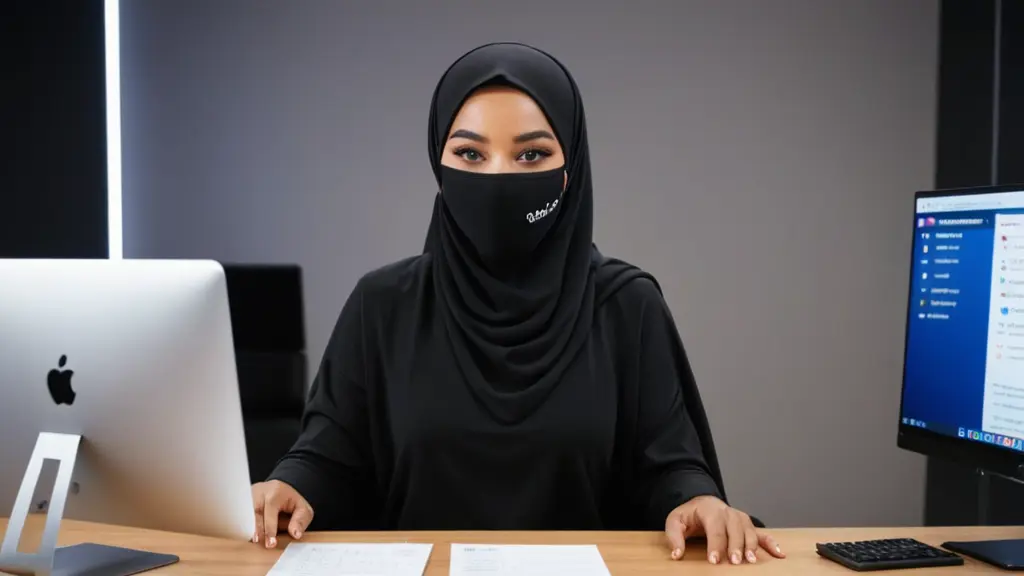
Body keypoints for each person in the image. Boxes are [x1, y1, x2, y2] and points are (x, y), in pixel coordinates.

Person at [251, 42, 785, 566]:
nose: (498, 177)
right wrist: (290, 486)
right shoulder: (383, 304)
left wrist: (697, 500)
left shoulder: (626, 305)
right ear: (438, 166)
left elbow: (670, 467)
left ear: (569, 166)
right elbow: (329, 458)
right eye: (469, 154)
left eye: (531, 154)